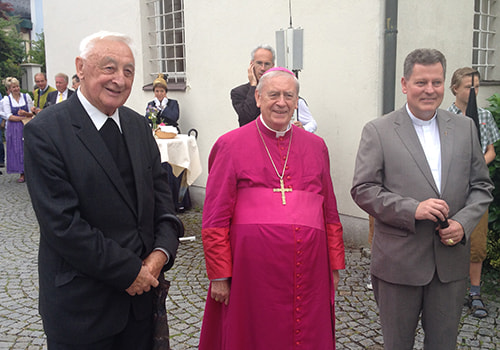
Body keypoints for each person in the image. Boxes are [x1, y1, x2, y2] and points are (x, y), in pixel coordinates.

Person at [23, 31, 183, 350]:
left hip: (140, 308)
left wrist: (159, 255)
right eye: (109, 68)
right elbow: (63, 225)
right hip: (83, 309)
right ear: (80, 67)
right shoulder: (46, 132)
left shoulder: (139, 127)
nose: (120, 80)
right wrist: (130, 272)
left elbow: (164, 205)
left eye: (128, 71)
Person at [351, 49, 494, 349]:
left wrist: (463, 224)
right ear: (405, 84)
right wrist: (411, 208)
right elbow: (363, 188)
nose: (430, 90)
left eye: (437, 82)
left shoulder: (465, 128)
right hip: (398, 264)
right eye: (421, 82)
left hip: (450, 265)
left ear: (445, 84)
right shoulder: (378, 130)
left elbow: (482, 186)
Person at [199, 67, 345, 350]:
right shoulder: (230, 144)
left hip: (310, 271)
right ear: (258, 97)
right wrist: (219, 274)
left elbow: (329, 211)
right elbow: (215, 216)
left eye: (289, 96)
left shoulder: (316, 147)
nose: (281, 102)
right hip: (249, 275)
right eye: (274, 94)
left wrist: (335, 263)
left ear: (297, 101)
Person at [447, 67, 500, 318]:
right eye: (469, 86)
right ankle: (449, 290)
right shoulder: (445, 116)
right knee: (449, 237)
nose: (473, 91)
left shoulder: (485, 116)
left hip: (476, 188)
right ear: (455, 88)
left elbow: (491, 150)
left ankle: (475, 292)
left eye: (476, 86)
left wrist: (478, 165)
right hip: (452, 188)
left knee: (477, 242)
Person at [231, 45, 317, 132]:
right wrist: (253, 86)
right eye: (259, 63)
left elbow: (311, 122)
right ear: (251, 64)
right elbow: (247, 117)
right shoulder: (238, 92)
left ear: (272, 66)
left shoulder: (284, 91)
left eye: (267, 64)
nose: (263, 68)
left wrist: (304, 129)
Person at [2, 77, 34, 183]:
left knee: (28, 148)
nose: (16, 89)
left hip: (26, 125)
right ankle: (22, 172)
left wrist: (25, 114)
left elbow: (31, 112)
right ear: (9, 89)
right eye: (13, 87)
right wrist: (22, 118)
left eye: (17, 86)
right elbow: (9, 116)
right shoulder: (7, 100)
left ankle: (30, 171)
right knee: (17, 149)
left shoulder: (26, 97)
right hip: (14, 127)